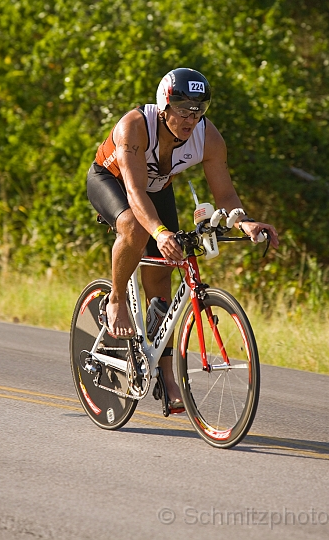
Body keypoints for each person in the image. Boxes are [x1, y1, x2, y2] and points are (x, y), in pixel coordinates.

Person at [87, 67, 279, 410]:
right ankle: (115, 299)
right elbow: (133, 191)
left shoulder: (209, 137)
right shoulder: (135, 126)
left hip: (157, 189)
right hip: (113, 182)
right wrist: (159, 232)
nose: (191, 117)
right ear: (164, 105)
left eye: (199, 109)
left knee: (162, 274)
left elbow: (226, 194)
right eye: (183, 109)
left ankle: (165, 371)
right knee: (133, 226)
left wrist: (244, 222)